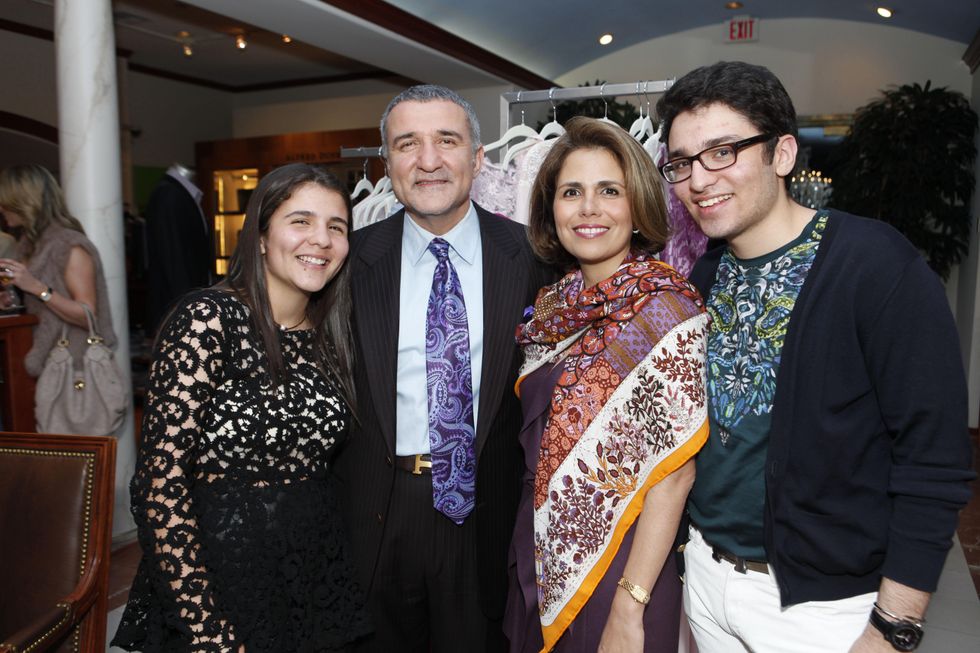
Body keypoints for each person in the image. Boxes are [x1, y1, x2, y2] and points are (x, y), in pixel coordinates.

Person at [654, 61, 975, 652]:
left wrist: (892, 627)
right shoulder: (704, 275)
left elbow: (933, 461)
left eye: (722, 152)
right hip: (706, 577)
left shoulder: (875, 265)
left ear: (781, 154)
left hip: (821, 608)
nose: (698, 180)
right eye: (681, 162)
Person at [112, 163, 372, 652]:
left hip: (314, 581)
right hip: (220, 582)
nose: (321, 239)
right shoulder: (207, 321)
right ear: (260, 236)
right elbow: (160, 485)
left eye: (336, 227)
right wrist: (204, 625)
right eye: (300, 221)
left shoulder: (332, 334)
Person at [332, 85, 554, 653]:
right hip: (378, 512)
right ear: (387, 164)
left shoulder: (535, 259)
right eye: (408, 144)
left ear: (477, 159)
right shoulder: (346, 265)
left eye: (447, 141)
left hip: (486, 515)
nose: (428, 160)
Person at [505, 117, 709, 653]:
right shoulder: (551, 309)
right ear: (551, 208)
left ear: (637, 207)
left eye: (609, 191)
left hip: (624, 563)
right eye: (572, 192)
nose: (589, 208)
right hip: (539, 549)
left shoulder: (666, 311)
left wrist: (629, 604)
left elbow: (675, 475)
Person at [0, 164, 116, 383]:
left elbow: (88, 316)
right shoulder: (28, 244)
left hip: (74, 366)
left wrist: (36, 288)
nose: (1, 208)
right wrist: (12, 300)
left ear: (22, 201)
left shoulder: (69, 245)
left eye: (4, 200)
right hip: (45, 360)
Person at [144, 163, 213, 335]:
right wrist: (188, 310)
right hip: (179, 310)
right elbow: (173, 257)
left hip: (189, 303)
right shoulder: (168, 195)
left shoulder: (180, 194)